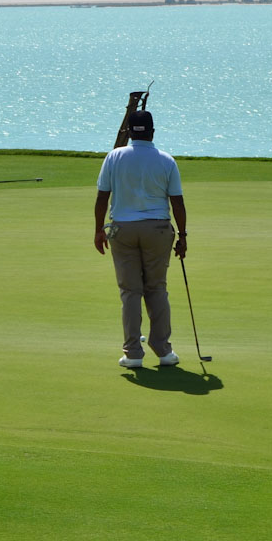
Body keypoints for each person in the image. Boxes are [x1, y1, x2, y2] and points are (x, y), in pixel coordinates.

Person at [93, 109, 188, 368]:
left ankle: (133, 353)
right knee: (156, 288)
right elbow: (176, 201)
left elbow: (103, 196)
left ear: (128, 132)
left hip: (122, 229)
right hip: (158, 229)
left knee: (130, 291)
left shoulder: (114, 157)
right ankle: (163, 351)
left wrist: (98, 229)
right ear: (152, 132)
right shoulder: (166, 160)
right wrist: (183, 235)